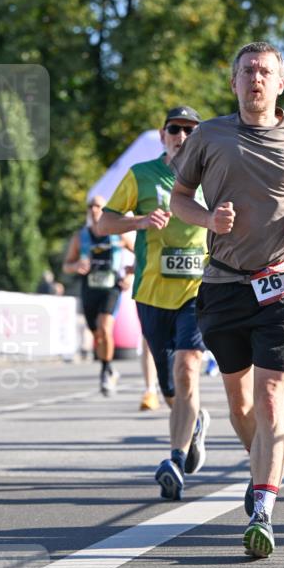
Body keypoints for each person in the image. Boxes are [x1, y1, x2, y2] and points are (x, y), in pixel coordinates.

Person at [170, 41, 284, 559]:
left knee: (269, 398)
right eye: (247, 71)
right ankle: (260, 465)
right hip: (223, 285)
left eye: (265, 72)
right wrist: (207, 219)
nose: (256, 79)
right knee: (240, 404)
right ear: (234, 82)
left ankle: (263, 508)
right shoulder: (209, 135)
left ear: (280, 83)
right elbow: (179, 198)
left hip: (283, 285)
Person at [98, 105, 210, 500]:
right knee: (170, 388)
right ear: (163, 136)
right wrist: (140, 222)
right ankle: (194, 423)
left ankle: (175, 461)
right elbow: (104, 223)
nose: (182, 137)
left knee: (188, 367)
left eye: (190, 130)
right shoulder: (141, 174)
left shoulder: (213, 176)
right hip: (151, 292)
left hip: (197, 290)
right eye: (174, 129)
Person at [62, 195, 131, 396]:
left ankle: (105, 372)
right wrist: (76, 265)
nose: (94, 209)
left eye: (98, 206)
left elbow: (142, 253)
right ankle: (108, 368)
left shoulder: (118, 235)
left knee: (105, 328)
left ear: (105, 209)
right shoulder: (80, 237)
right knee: (97, 335)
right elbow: (66, 265)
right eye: (91, 206)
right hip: (90, 288)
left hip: (111, 287)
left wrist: (130, 274)